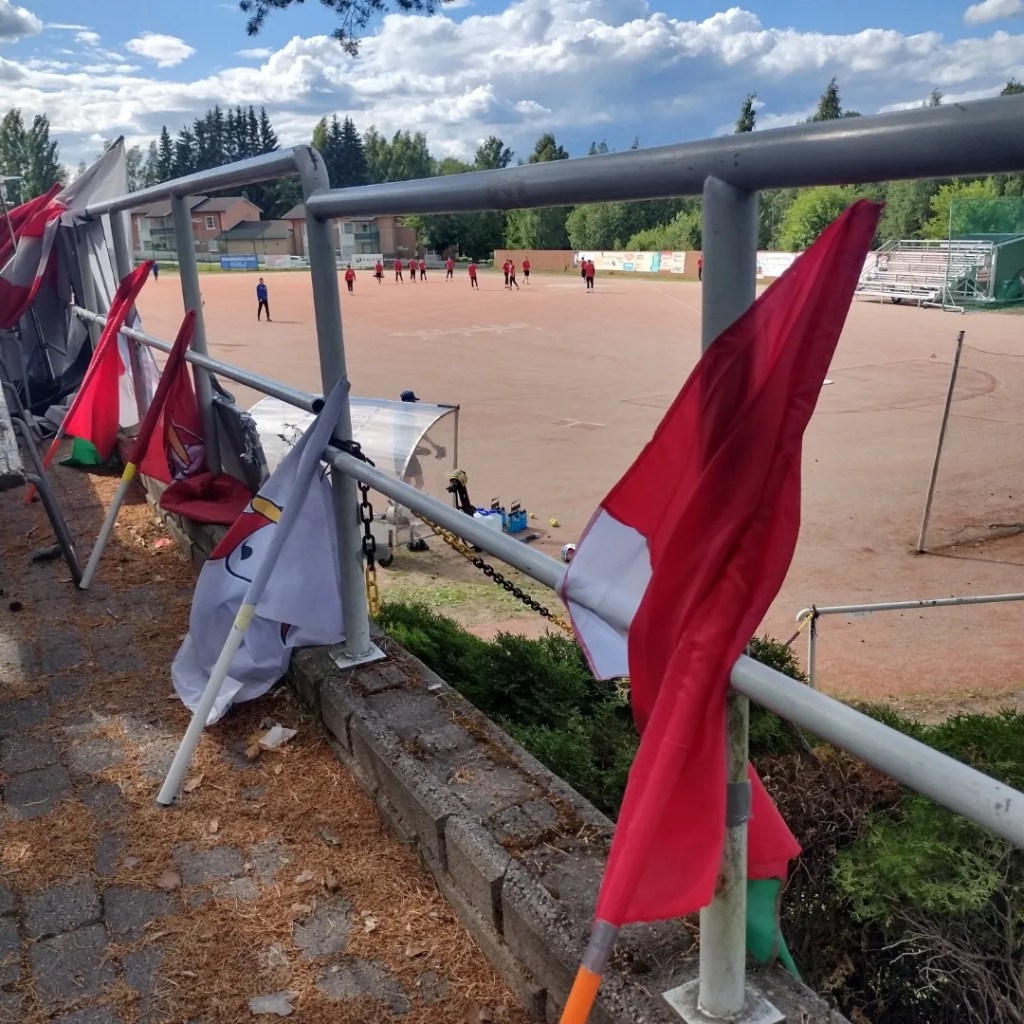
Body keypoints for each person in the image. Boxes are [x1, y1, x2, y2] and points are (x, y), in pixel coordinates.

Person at [399, 390, 446, 490]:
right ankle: (410, 499)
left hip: (404, 453)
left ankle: (404, 498)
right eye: (413, 401)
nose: (415, 403)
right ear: (408, 402)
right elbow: (414, 434)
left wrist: (433, 445)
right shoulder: (407, 417)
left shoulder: (401, 415)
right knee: (419, 482)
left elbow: (418, 432)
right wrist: (421, 448)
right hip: (407, 453)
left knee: (407, 482)